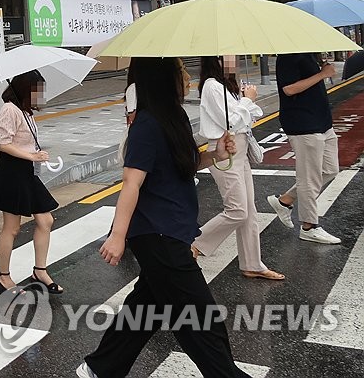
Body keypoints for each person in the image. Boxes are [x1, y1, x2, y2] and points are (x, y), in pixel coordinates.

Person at [77, 57, 246, 378]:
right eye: (179, 71)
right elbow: (132, 182)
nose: (186, 76)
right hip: (157, 234)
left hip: (173, 230)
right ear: (161, 78)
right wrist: (117, 235)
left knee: (146, 309)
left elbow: (182, 164)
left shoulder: (175, 117)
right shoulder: (146, 124)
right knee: (201, 320)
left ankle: (100, 368)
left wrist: (216, 154)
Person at [190, 56, 283, 280]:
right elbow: (231, 121)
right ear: (217, 58)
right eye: (232, 55)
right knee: (237, 210)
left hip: (240, 148)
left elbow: (251, 117)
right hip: (225, 150)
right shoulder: (212, 86)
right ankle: (195, 245)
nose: (237, 60)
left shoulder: (226, 86)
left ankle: (252, 263)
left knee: (249, 211)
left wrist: (246, 101)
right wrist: (248, 101)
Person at [0, 70, 62, 295]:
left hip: (26, 172)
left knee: (46, 220)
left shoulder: (25, 111)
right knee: (12, 228)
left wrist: (36, 153)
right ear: (27, 89)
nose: (40, 96)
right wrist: (32, 156)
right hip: (11, 173)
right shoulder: (9, 110)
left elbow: (24, 143)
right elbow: (4, 144)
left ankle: (40, 270)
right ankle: (3, 277)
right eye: (37, 90)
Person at [268, 52, 341, 244]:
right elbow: (289, 89)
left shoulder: (310, 54)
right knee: (309, 178)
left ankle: (284, 200)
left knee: (330, 170)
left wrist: (322, 68)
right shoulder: (288, 56)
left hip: (322, 121)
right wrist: (322, 74)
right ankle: (309, 227)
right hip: (303, 123)